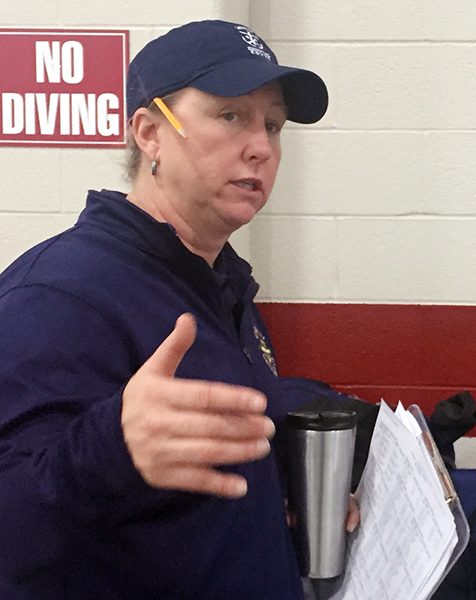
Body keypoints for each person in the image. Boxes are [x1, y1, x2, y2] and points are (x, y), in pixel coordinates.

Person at [0, 20, 356, 599]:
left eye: (272, 124)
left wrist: (280, 479)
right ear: (149, 133)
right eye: (230, 116)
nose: (261, 146)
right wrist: (107, 453)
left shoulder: (216, 280)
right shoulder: (59, 296)